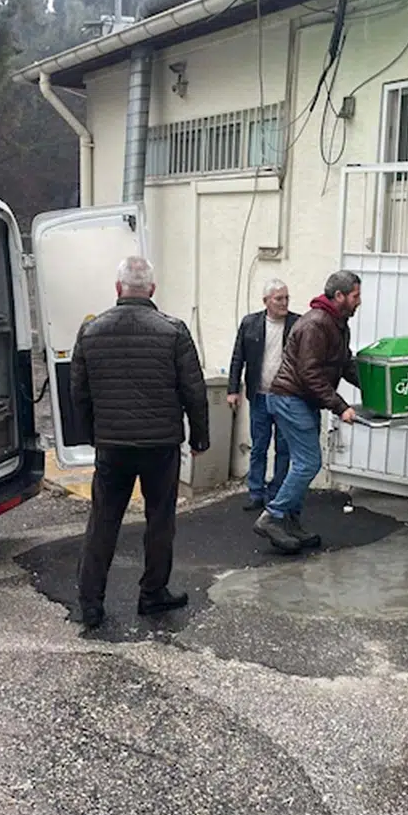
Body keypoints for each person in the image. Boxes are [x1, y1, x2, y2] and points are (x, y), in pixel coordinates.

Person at [69, 255, 210, 629]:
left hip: (112, 445)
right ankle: (152, 593)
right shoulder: (173, 331)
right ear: (152, 289)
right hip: (160, 445)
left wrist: (90, 436)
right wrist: (199, 437)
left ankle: (90, 602)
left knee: (103, 520)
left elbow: (79, 392)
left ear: (118, 288)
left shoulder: (91, 331)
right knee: (159, 520)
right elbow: (194, 390)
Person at [255, 270, 362, 554]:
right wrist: (341, 407)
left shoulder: (338, 324)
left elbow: (345, 364)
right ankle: (272, 516)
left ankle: (291, 521)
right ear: (339, 296)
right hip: (290, 399)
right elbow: (309, 373)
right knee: (308, 463)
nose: (359, 301)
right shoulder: (316, 324)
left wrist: (377, 387)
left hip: (301, 400)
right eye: (355, 296)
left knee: (301, 463)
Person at [226, 279, 300, 512]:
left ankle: (277, 493)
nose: (284, 303)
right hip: (259, 395)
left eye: (286, 298)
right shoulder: (250, 323)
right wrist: (233, 390)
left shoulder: (297, 324)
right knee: (259, 446)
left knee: (284, 447)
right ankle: (256, 492)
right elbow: (238, 357)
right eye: (279, 299)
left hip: (286, 397)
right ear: (266, 301)